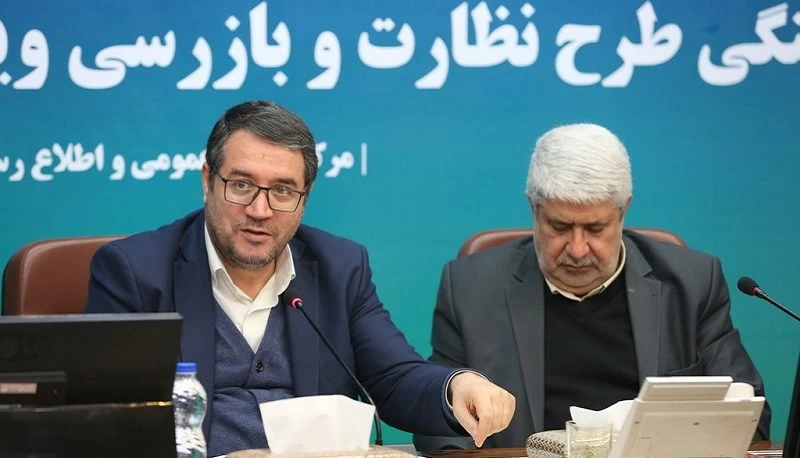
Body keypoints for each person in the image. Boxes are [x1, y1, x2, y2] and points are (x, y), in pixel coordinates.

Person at [83, 100, 514, 456]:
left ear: (304, 199)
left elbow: (393, 377)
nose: (260, 210)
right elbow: (107, 420)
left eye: (283, 191)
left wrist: (455, 386)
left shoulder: (340, 267)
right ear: (208, 181)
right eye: (241, 185)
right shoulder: (134, 272)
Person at [413, 123, 770, 450]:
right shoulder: (471, 289)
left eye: (596, 228)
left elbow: (749, 416)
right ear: (534, 210)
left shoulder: (691, 284)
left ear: (623, 211)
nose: (578, 249)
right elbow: (440, 428)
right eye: (560, 227)